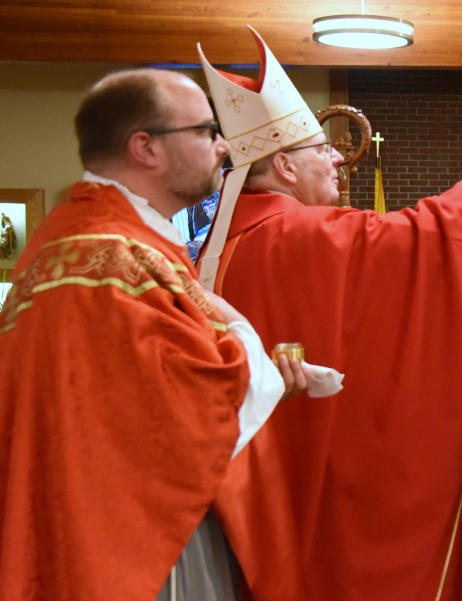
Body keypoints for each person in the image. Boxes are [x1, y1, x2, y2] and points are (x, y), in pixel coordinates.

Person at [196, 27, 462, 601]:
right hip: (312, 471)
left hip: (253, 471)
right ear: (285, 167)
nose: (335, 158)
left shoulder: (226, 240)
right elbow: (419, 241)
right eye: (319, 149)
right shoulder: (295, 232)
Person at [0, 69, 308, 601]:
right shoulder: (116, 257)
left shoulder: (73, 237)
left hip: (103, 512)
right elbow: (194, 401)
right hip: (140, 534)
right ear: (146, 147)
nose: (221, 147)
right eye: (206, 131)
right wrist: (243, 335)